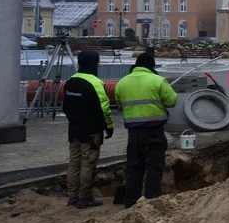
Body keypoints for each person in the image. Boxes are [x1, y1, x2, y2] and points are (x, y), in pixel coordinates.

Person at [115, 53, 177, 207]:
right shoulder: (158, 80)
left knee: (134, 167)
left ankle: (130, 203)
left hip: (134, 134)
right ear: (152, 66)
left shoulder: (122, 83)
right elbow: (172, 101)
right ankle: (151, 202)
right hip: (154, 131)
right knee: (154, 168)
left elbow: (120, 106)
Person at [63, 50, 113, 209]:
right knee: (88, 163)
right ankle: (84, 198)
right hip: (91, 132)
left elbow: (66, 107)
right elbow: (104, 109)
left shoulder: (71, 81)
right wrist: (109, 127)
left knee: (74, 163)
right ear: (95, 63)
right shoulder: (96, 83)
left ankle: (72, 197)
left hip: (74, 131)